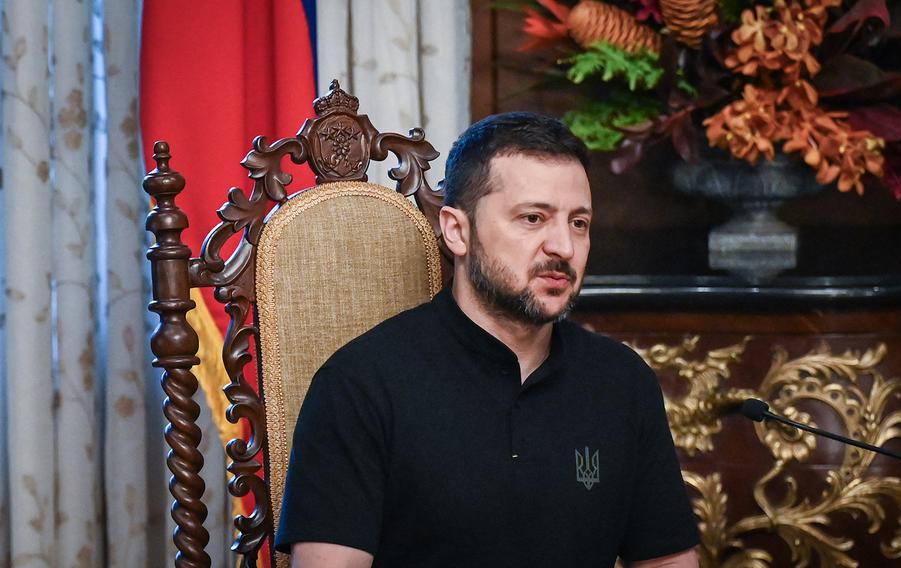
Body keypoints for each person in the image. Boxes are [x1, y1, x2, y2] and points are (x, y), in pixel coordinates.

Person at [275, 112, 700, 567]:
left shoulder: (622, 381)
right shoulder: (359, 385)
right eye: (533, 218)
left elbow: (667, 561)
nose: (564, 246)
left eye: (579, 223)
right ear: (457, 230)